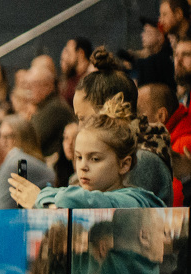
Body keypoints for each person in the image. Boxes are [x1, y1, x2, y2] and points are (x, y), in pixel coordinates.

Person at [10, 95, 170, 209]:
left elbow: (81, 199)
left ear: (124, 164)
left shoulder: (137, 200)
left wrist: (39, 198)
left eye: (95, 159)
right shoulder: (79, 199)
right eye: (79, 157)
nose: (83, 167)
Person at [73, 47, 175, 205]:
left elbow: (120, 211)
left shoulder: (142, 159)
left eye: (83, 118)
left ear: (109, 109)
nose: (80, 127)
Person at [0, 115, 55, 207]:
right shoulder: (13, 162)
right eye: (0, 136)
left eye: (7, 137)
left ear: (24, 137)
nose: (2, 142)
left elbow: (0, 210)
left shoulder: (16, 163)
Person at [26, 64, 75, 163]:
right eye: (28, 85)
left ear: (48, 85)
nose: (29, 89)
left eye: (34, 84)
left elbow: (30, 141)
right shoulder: (43, 107)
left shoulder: (55, 108)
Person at [61, 37, 93, 105]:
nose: (66, 57)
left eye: (69, 53)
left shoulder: (91, 77)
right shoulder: (71, 78)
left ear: (81, 53)